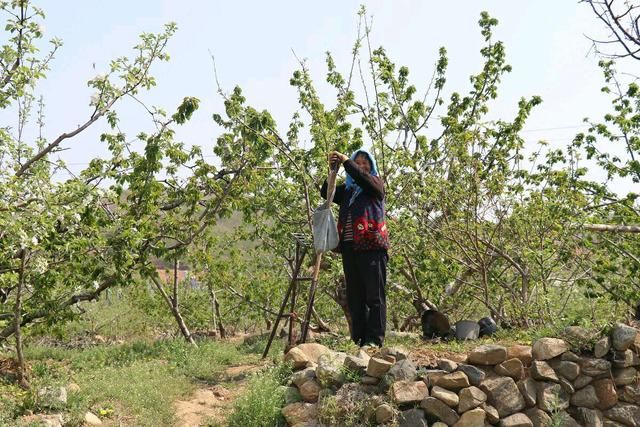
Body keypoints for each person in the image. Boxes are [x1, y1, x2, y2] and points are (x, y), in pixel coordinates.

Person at [321, 149, 389, 347]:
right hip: (350, 247)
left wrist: (347, 162)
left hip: (372, 246)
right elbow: (327, 193)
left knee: (374, 295)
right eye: (357, 162)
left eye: (364, 162)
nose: (361, 166)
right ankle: (358, 338)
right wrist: (332, 169)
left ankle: (375, 339)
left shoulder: (375, 184)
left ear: (371, 165)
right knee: (355, 295)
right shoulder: (348, 191)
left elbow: (363, 178)